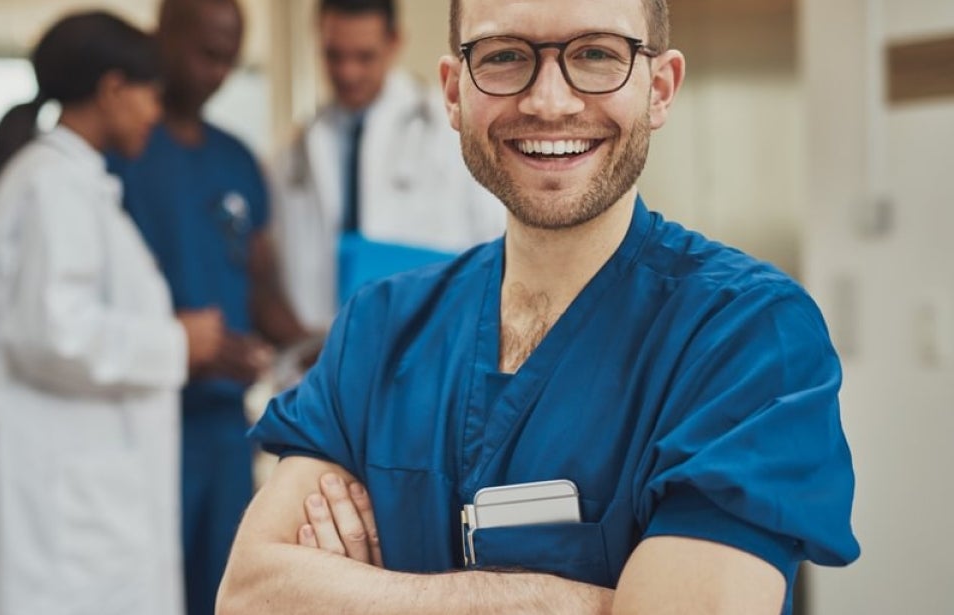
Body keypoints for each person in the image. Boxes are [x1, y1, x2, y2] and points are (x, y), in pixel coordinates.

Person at [217, 0, 861, 613]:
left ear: (660, 87)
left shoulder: (747, 336)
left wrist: (362, 595)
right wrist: (543, 600)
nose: (549, 101)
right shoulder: (381, 326)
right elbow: (249, 595)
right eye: (502, 56)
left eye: (597, 54)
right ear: (453, 90)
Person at [0, 11, 223, 615]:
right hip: (63, 501)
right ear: (113, 89)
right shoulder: (53, 185)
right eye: (150, 96)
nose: (154, 114)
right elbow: (52, 333)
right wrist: (178, 342)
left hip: (76, 489)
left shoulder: (71, 181)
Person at [107, 1, 311, 614]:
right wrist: (177, 344)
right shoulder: (120, 151)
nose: (218, 73)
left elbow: (260, 287)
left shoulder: (236, 161)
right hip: (138, 421)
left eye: (229, 59)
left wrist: (316, 346)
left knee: (220, 593)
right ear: (163, 34)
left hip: (223, 428)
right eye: (206, 53)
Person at [272, 0, 505, 331]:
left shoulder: (447, 131)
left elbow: (495, 244)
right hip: (325, 349)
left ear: (394, 42)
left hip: (431, 338)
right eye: (334, 55)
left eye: (364, 57)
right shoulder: (295, 152)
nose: (348, 72)